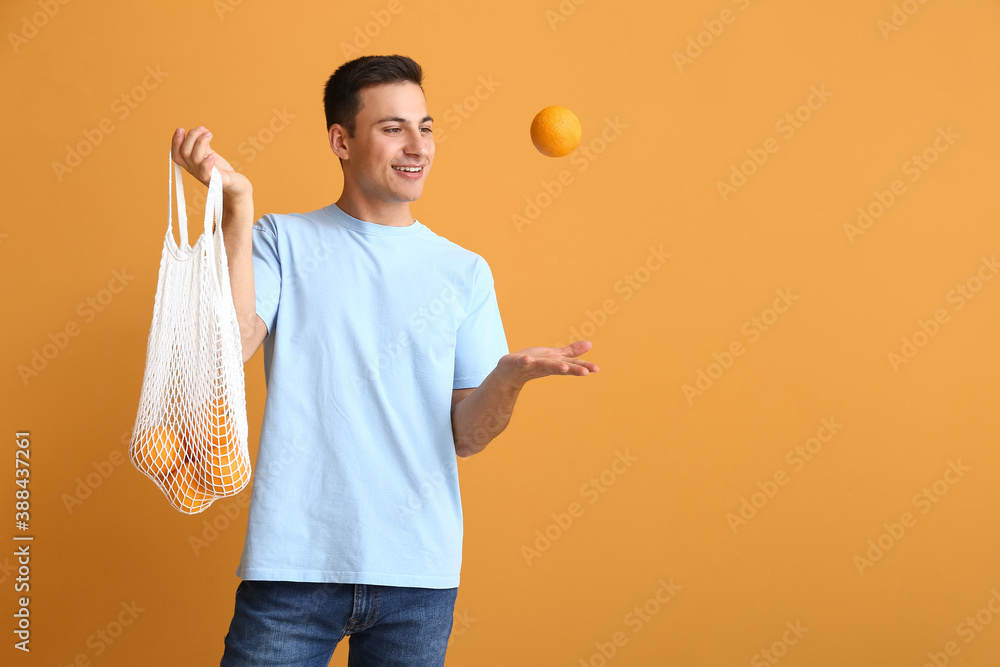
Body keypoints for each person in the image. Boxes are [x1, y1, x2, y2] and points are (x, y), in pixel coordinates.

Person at [170, 54, 599, 666]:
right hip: (295, 567)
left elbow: (468, 437)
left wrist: (507, 380)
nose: (416, 146)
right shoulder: (281, 240)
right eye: (392, 127)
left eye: (424, 127)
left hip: (417, 579)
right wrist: (236, 207)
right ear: (340, 141)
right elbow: (227, 349)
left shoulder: (464, 272)